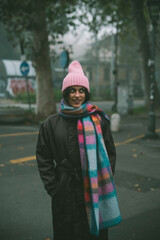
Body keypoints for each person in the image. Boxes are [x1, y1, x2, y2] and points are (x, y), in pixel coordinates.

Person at [36, 61, 121, 240]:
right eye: (72, 90)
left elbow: (110, 154)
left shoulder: (99, 120)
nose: (77, 95)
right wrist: (54, 187)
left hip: (93, 189)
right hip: (64, 192)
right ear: (66, 93)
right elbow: (43, 157)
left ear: (86, 93)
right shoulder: (50, 124)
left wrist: (101, 180)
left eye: (81, 90)